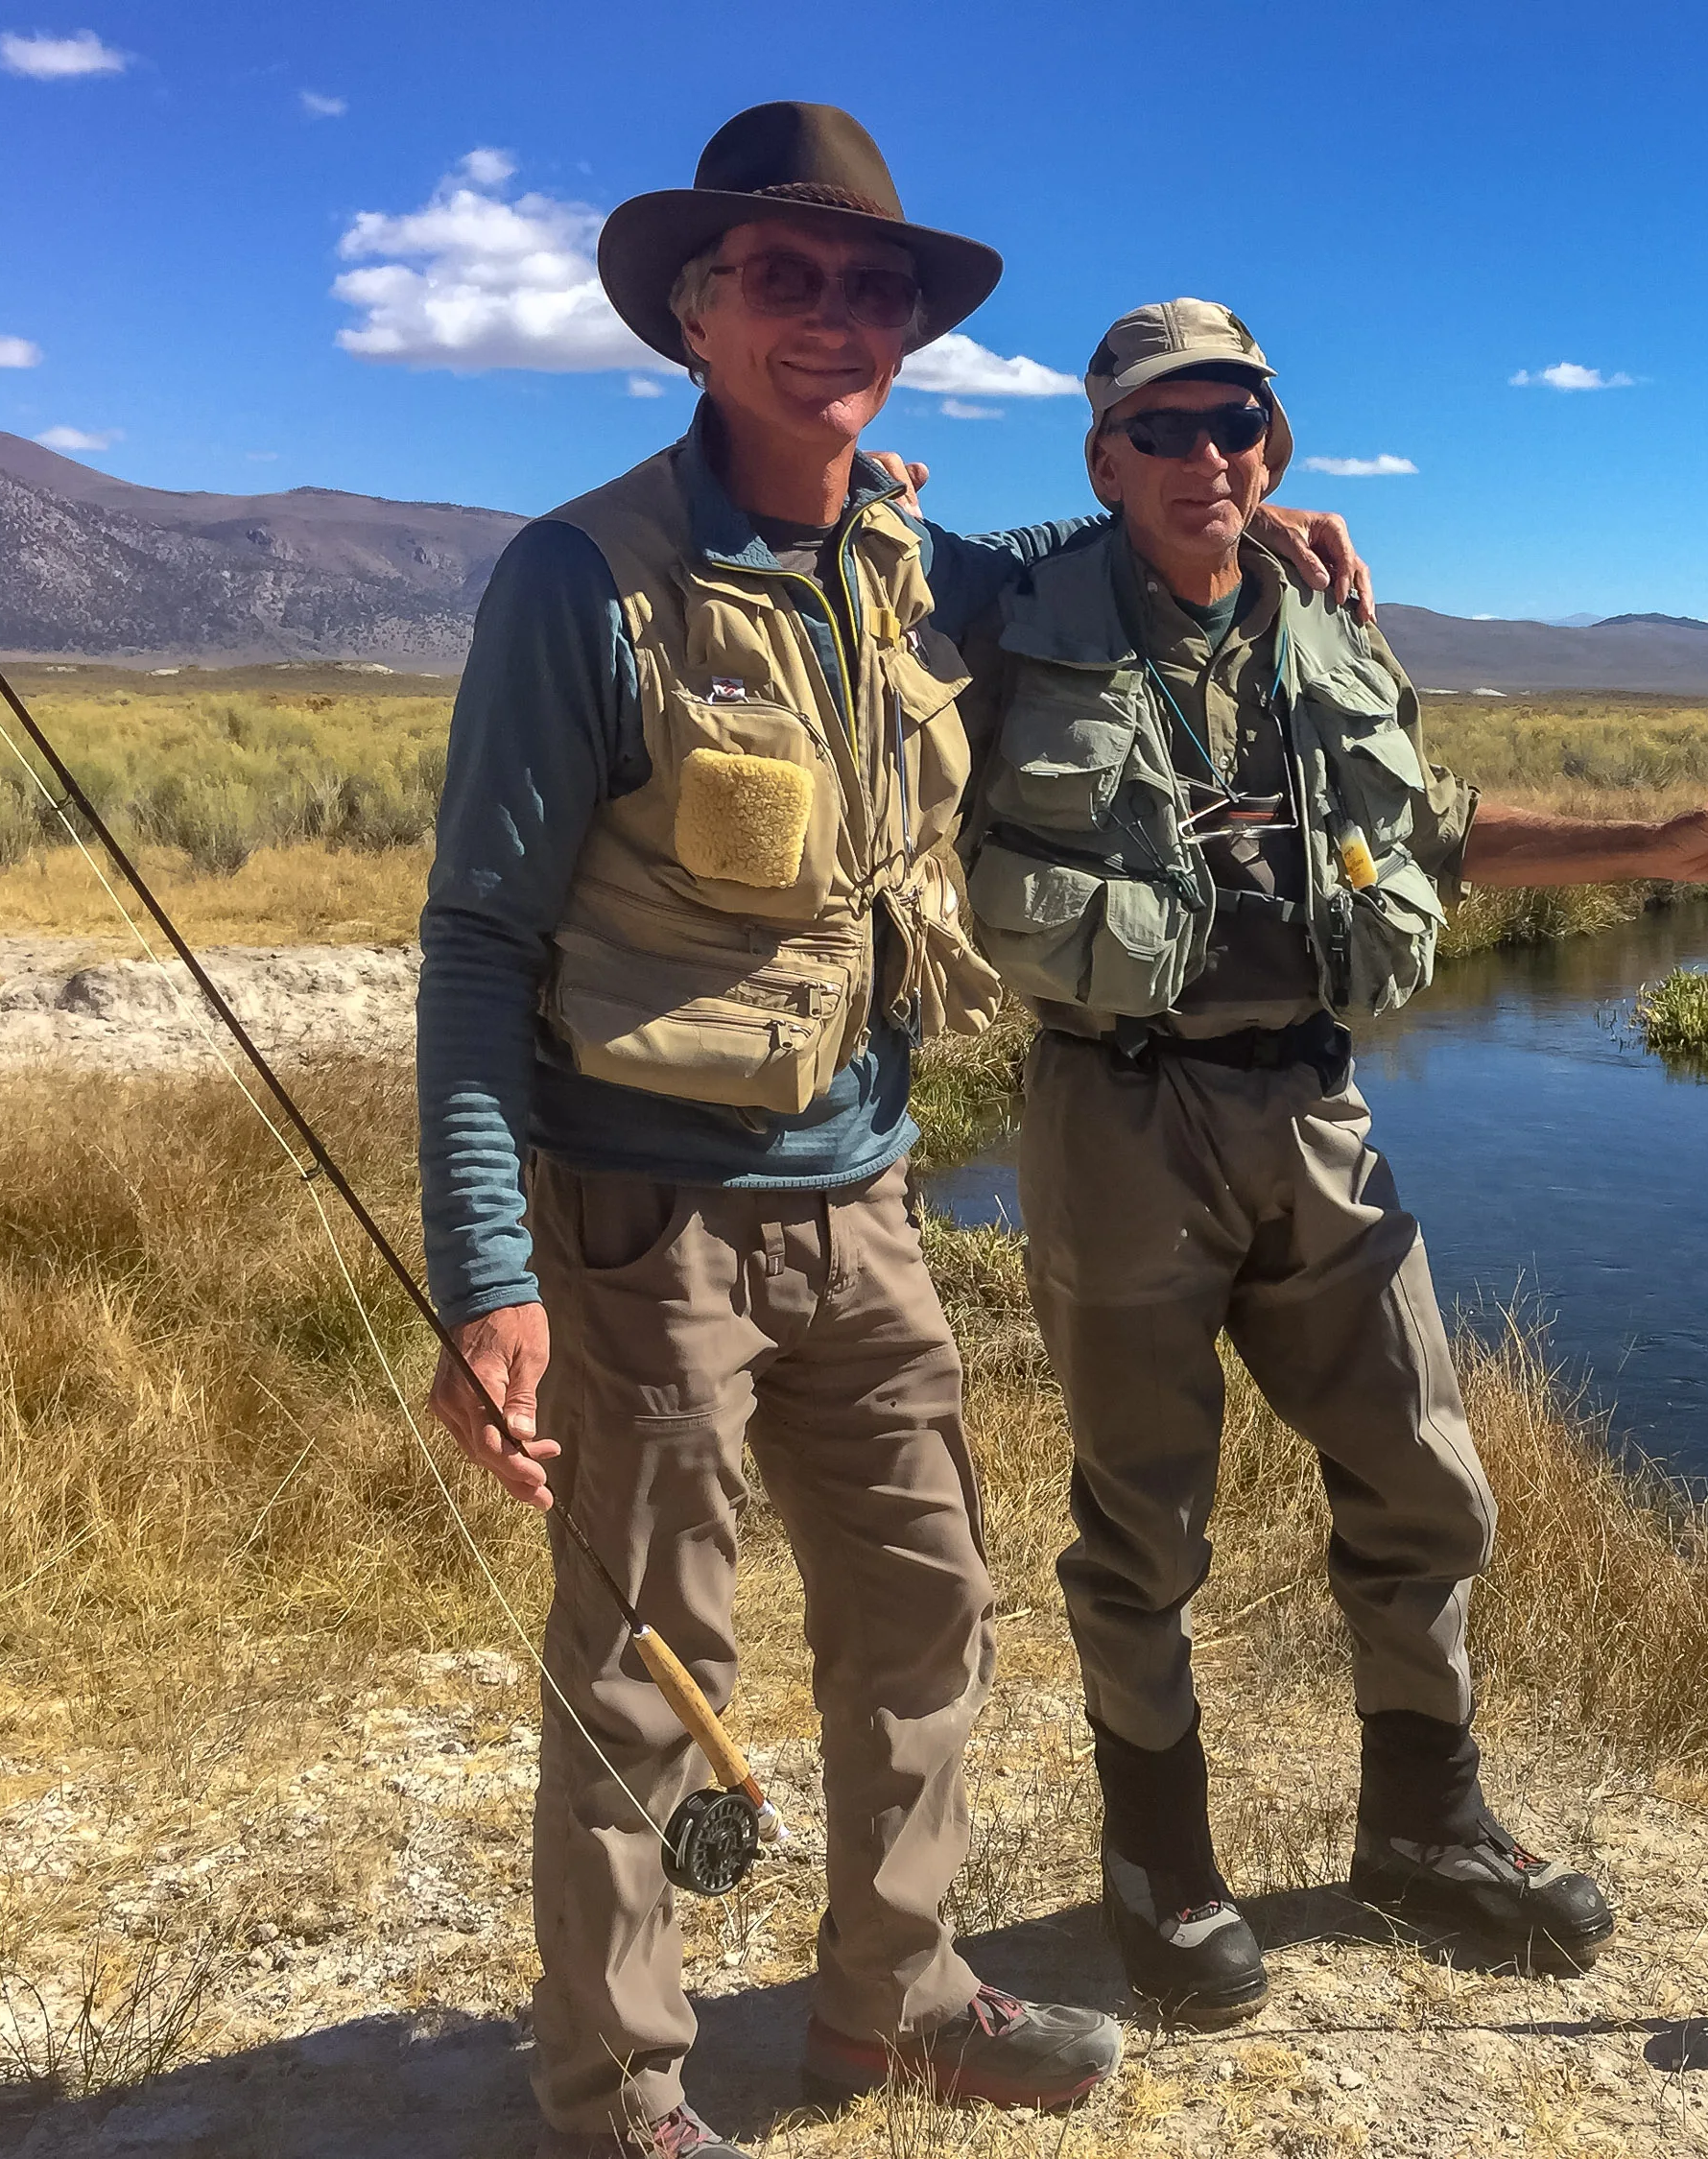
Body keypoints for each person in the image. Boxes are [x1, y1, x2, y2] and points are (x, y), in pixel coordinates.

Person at [417, 113, 1363, 2157]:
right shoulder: (581, 582)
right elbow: (479, 946)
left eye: (871, 289)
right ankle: (620, 2091)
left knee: (926, 1610)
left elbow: (1103, 556)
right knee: (654, 1667)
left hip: (864, 1203)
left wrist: (1249, 528)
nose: (836, 319)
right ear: (695, 309)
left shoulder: (920, 564)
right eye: (786, 277)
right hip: (635, 1215)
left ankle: (891, 1998)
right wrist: (487, 1275)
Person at [956, 299, 1708, 2029]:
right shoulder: (1006, 617)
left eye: (1238, 426)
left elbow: (1443, 828)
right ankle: (1158, 1863)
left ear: (1277, 445)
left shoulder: (1327, 627)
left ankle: (1425, 1831)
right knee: (1142, 1521)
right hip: (1121, 1114)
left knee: (1426, 1472)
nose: (1209, 458)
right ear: (1103, 456)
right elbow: (845, 538)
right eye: (1165, 431)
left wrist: (1665, 843)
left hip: (1317, 1109)